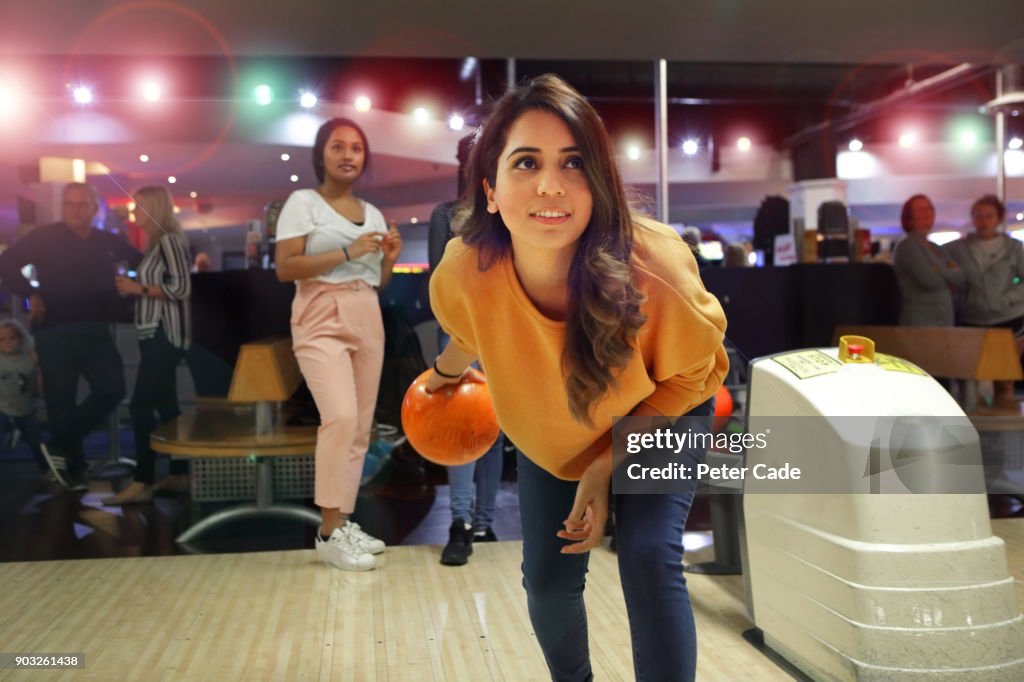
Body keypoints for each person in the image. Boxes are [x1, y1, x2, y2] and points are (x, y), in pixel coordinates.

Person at [428, 74, 728, 681]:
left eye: (573, 163)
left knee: (646, 555)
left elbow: (700, 375)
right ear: (489, 190)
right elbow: (472, 331)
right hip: (555, 428)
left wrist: (605, 463)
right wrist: (440, 377)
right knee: (547, 580)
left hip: (666, 409)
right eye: (526, 162)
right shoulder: (464, 271)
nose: (549, 185)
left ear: (600, 183)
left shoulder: (656, 267)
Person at [275, 117, 402, 571]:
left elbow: (378, 281)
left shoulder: (373, 213)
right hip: (319, 310)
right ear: (321, 154)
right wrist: (349, 251)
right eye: (337, 146)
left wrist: (386, 260)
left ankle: (342, 523)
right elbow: (285, 267)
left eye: (356, 148)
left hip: (365, 310)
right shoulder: (303, 202)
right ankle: (328, 530)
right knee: (340, 416)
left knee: (360, 427)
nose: (348, 155)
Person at [0, 182, 141, 491]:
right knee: (59, 402)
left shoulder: (107, 240)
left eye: (82, 204)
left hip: (95, 329)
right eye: (69, 204)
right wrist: (30, 294)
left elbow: (142, 263)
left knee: (112, 389)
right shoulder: (44, 236)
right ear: (62, 207)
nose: (75, 210)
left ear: (94, 209)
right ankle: (72, 470)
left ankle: (58, 444)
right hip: (54, 329)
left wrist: (133, 290)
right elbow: (6, 263)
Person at [428, 134, 505, 566]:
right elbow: (441, 284)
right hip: (459, 330)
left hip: (503, 330)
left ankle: (484, 522)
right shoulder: (448, 215)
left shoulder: (507, 210)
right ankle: (460, 522)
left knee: (492, 430)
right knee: (461, 427)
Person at [102, 186, 193, 505]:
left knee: (141, 406)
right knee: (167, 407)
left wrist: (137, 288)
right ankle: (180, 474)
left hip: (164, 334)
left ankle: (143, 480)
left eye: (139, 206)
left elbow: (181, 288)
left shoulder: (168, 241)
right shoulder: (160, 243)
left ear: (154, 207)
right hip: (156, 334)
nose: (134, 213)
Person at [945, 194, 1024, 402]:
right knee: (971, 376)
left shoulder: (1014, 248)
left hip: (1009, 319)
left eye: (989, 216)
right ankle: (975, 428)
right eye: (978, 216)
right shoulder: (957, 248)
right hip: (973, 318)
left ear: (998, 218)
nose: (984, 221)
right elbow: (939, 266)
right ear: (972, 218)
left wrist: (1007, 298)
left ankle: (1006, 431)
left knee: (1005, 377)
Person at [892, 194, 964, 326]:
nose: (927, 213)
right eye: (920, 209)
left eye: (929, 208)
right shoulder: (907, 246)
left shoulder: (936, 247)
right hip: (920, 323)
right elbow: (931, 280)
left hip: (944, 321)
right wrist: (948, 271)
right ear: (909, 217)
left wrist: (937, 268)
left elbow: (960, 277)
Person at [0, 319, 49, 478]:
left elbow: (40, 391)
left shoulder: (30, 359)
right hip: (2, 408)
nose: (7, 343)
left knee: (37, 443)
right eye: (2, 339)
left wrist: (39, 364)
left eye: (12, 338)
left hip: (26, 409)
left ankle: (48, 471)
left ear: (21, 339)